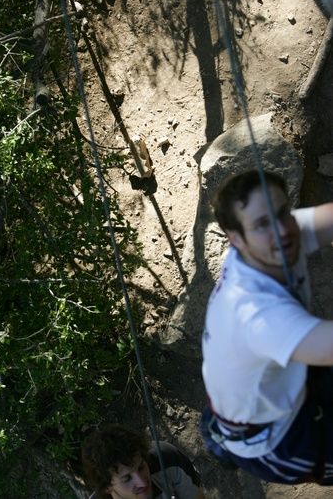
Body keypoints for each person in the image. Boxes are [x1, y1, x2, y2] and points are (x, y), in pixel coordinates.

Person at [200, 169, 333, 484]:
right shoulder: (255, 313)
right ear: (235, 239)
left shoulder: (273, 242)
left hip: (285, 382)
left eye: (282, 212)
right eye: (262, 224)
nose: (282, 230)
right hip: (277, 438)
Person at [81, 423, 205, 498]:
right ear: (107, 487)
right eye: (127, 479)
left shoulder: (168, 460)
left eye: (141, 467)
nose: (142, 482)